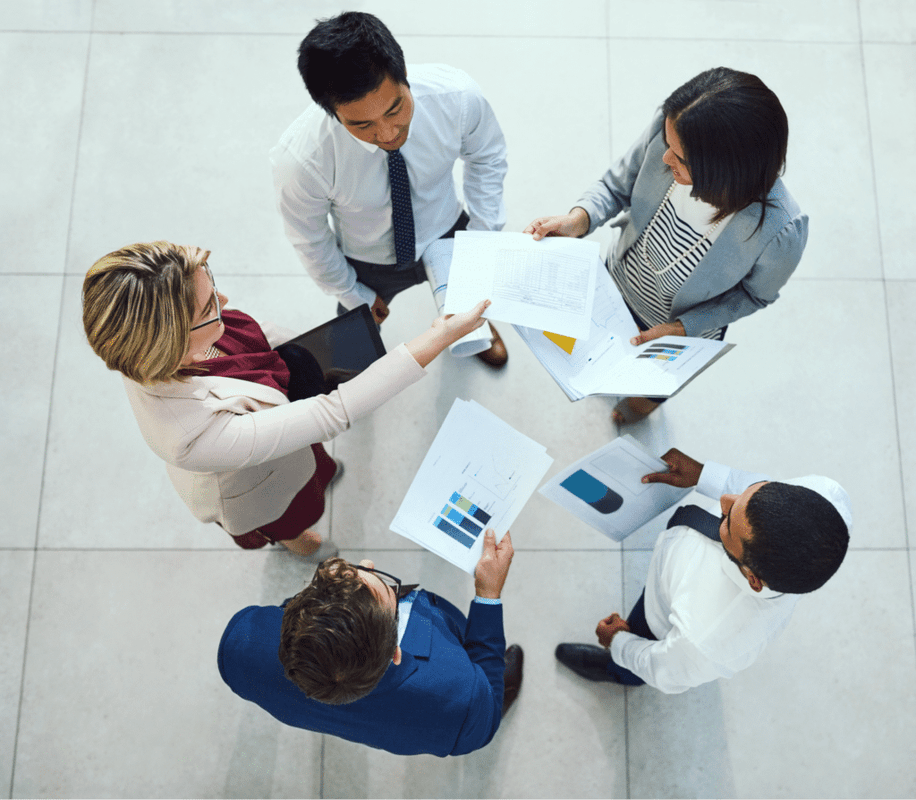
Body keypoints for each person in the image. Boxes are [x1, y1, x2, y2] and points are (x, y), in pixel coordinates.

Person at [82, 241, 490, 555]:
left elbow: (266, 341)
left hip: (282, 432)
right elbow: (332, 413)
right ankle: (295, 542)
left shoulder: (173, 343)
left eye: (213, 288)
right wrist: (438, 337)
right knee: (292, 514)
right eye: (208, 307)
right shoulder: (193, 435)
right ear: (169, 344)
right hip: (257, 484)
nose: (224, 303)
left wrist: (337, 343)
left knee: (312, 465)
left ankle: (314, 482)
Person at [525, 67, 807, 423]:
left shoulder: (781, 231)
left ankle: (638, 407)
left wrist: (681, 329)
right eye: (667, 143)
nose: (664, 158)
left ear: (724, 171)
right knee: (596, 357)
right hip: (615, 286)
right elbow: (616, 186)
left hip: (676, 331)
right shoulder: (673, 130)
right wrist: (579, 220)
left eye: (680, 159)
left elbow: (754, 296)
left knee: (648, 389)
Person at [271, 11, 510, 367]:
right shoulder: (302, 160)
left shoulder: (457, 97)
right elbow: (310, 237)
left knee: (470, 305)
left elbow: (487, 158)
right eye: (362, 125)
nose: (387, 134)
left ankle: (471, 328)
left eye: (395, 109)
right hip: (367, 259)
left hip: (447, 227)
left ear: (405, 75)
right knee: (354, 347)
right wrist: (352, 293)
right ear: (331, 112)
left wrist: (482, 238)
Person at [555, 449, 851, 694]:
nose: (725, 500)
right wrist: (703, 475)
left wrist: (619, 641)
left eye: (728, 523)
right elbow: (761, 489)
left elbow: (660, 667)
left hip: (658, 618)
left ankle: (617, 671)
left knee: (634, 664)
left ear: (752, 578)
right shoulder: (826, 496)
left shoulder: (705, 640)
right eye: (744, 496)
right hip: (672, 567)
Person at [218, 529, 523, 756]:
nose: (367, 562)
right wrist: (488, 595)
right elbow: (485, 723)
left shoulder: (240, 645)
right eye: (387, 591)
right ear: (396, 653)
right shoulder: (463, 699)